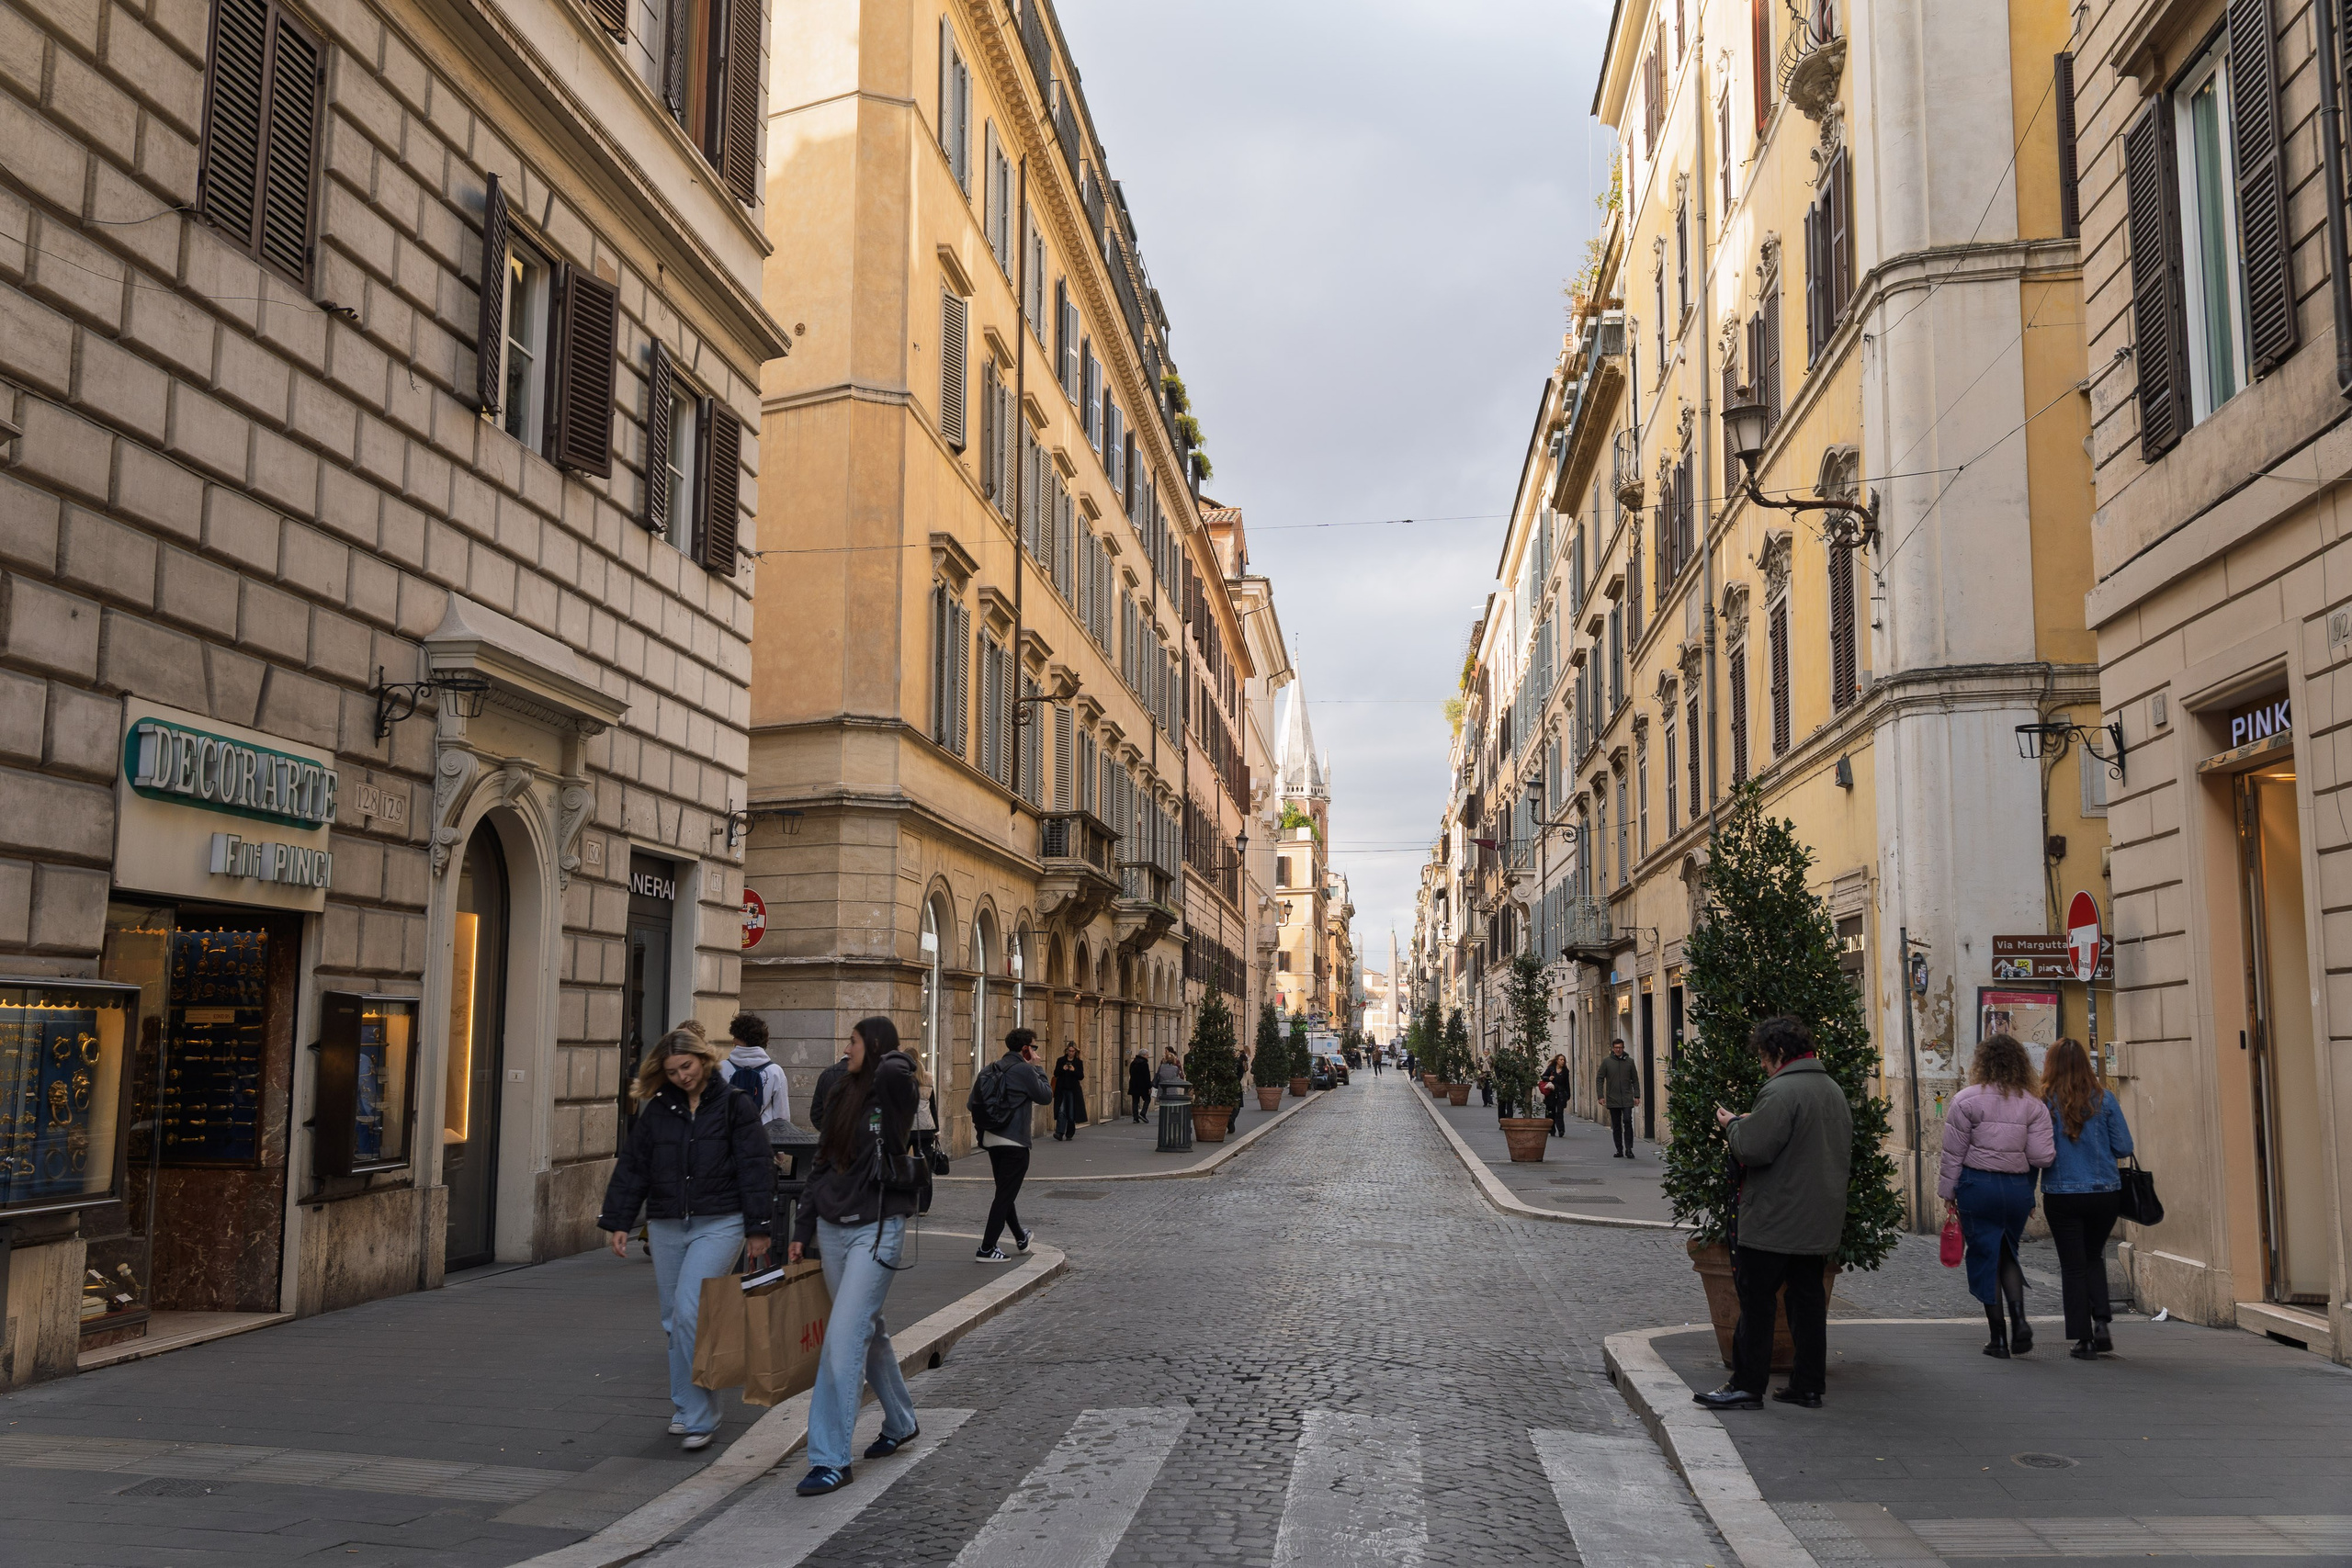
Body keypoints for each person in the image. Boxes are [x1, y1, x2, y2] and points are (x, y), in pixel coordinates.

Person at [597, 1028, 775, 1451]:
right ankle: (687, 1405)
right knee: (673, 1319)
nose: (682, 1076)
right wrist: (619, 1221)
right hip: (667, 1224)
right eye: (672, 1071)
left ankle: (699, 1417)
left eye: (688, 1066)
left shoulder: (735, 1105)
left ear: (704, 1059)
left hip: (721, 1221)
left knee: (690, 1311)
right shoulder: (657, 1110)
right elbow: (635, 1165)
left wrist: (759, 1228)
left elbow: (755, 1166)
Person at [788, 1017, 922, 1497]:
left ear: (878, 1047)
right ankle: (902, 1421)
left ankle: (829, 1459)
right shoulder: (840, 1091)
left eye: (853, 1041)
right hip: (833, 1226)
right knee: (868, 1331)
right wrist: (802, 1229)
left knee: (842, 1338)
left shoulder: (894, 1092)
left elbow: (895, 1072)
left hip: (880, 1224)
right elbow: (821, 1163)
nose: (846, 1049)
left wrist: (891, 1052)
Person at [1695, 1016, 1852, 1412]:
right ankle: (1808, 1384)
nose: (1762, 1065)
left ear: (1778, 1052)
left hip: (1775, 1219)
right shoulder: (1832, 1090)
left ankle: (1747, 1386)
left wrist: (1732, 1126)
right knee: (1808, 1303)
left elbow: (1753, 1149)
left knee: (1758, 1302)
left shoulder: (1781, 1091)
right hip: (1817, 1217)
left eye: (1764, 1057)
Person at [1940, 1032, 2056, 1358]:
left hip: (1978, 1186)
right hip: (2016, 1190)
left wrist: (1948, 1192)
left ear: (1982, 1063)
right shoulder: (2034, 1105)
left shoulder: (1966, 1100)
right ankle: (2020, 1320)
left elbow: (1953, 1153)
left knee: (1984, 1257)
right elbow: (2042, 1157)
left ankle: (1999, 1338)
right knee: (2008, 1253)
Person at [2040, 1038, 2132, 1359]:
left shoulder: (2045, 1103)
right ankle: (2103, 1322)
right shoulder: (2105, 1100)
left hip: (2061, 1195)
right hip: (2105, 1193)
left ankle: (2083, 1338)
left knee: (2073, 1265)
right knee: (2094, 1255)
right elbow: (2124, 1146)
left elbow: (2040, 1153)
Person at [970, 1028, 1052, 1262]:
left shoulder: (989, 1068)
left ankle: (1020, 1237)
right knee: (1004, 1196)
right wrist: (1038, 1068)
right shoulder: (1025, 1069)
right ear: (1025, 1049)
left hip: (991, 1139)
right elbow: (1046, 1096)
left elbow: (971, 1103)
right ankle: (986, 1248)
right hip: (1014, 1140)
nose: (1036, 1052)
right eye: (1034, 1048)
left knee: (1004, 1192)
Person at [724, 1013, 791, 1127]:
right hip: (763, 1135)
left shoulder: (721, 1068)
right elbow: (782, 1116)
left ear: (737, 1038)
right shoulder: (775, 1071)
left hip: (728, 1137)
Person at [1598, 1039, 1642, 1157]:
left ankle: (1629, 1149)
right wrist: (1600, 1096)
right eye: (1616, 1047)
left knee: (1627, 1121)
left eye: (1620, 1047)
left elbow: (1635, 1080)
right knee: (1616, 1125)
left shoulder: (1629, 1062)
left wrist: (1637, 1095)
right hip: (1613, 1098)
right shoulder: (1607, 1062)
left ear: (1623, 1048)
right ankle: (1619, 1149)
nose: (1618, 1049)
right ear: (1613, 1048)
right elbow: (1600, 1078)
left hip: (1627, 1097)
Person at [1051, 1043, 1086, 1141]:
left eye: (1072, 1051)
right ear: (1066, 1051)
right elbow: (1056, 1073)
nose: (1071, 1053)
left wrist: (1073, 1070)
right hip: (1061, 1090)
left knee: (1071, 1113)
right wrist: (1063, 1069)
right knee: (1061, 1111)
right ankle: (1059, 1132)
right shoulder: (1061, 1060)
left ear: (1075, 1052)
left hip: (1073, 1091)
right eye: (1069, 1051)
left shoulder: (1078, 1062)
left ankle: (1070, 1133)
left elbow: (1081, 1076)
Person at [1542, 1054, 1571, 1137]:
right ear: (1557, 1061)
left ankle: (1561, 1130)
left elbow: (1567, 1084)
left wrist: (1568, 1095)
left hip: (1561, 1094)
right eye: (1561, 1060)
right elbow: (1543, 1077)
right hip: (1551, 1094)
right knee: (1551, 1112)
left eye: (1564, 1060)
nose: (1563, 1061)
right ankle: (1551, 1130)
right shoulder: (1551, 1069)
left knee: (1560, 1112)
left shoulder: (1565, 1071)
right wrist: (1548, 1078)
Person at [1127, 1051, 1152, 1122]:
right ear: (1143, 1055)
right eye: (1147, 1055)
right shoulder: (1144, 1064)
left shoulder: (1133, 1062)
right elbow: (1147, 1076)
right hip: (1143, 1085)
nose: (1148, 1056)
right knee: (1147, 1099)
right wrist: (1149, 1086)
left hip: (1134, 1084)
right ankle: (1143, 1113)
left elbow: (1130, 1072)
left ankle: (1135, 1118)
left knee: (1135, 1101)